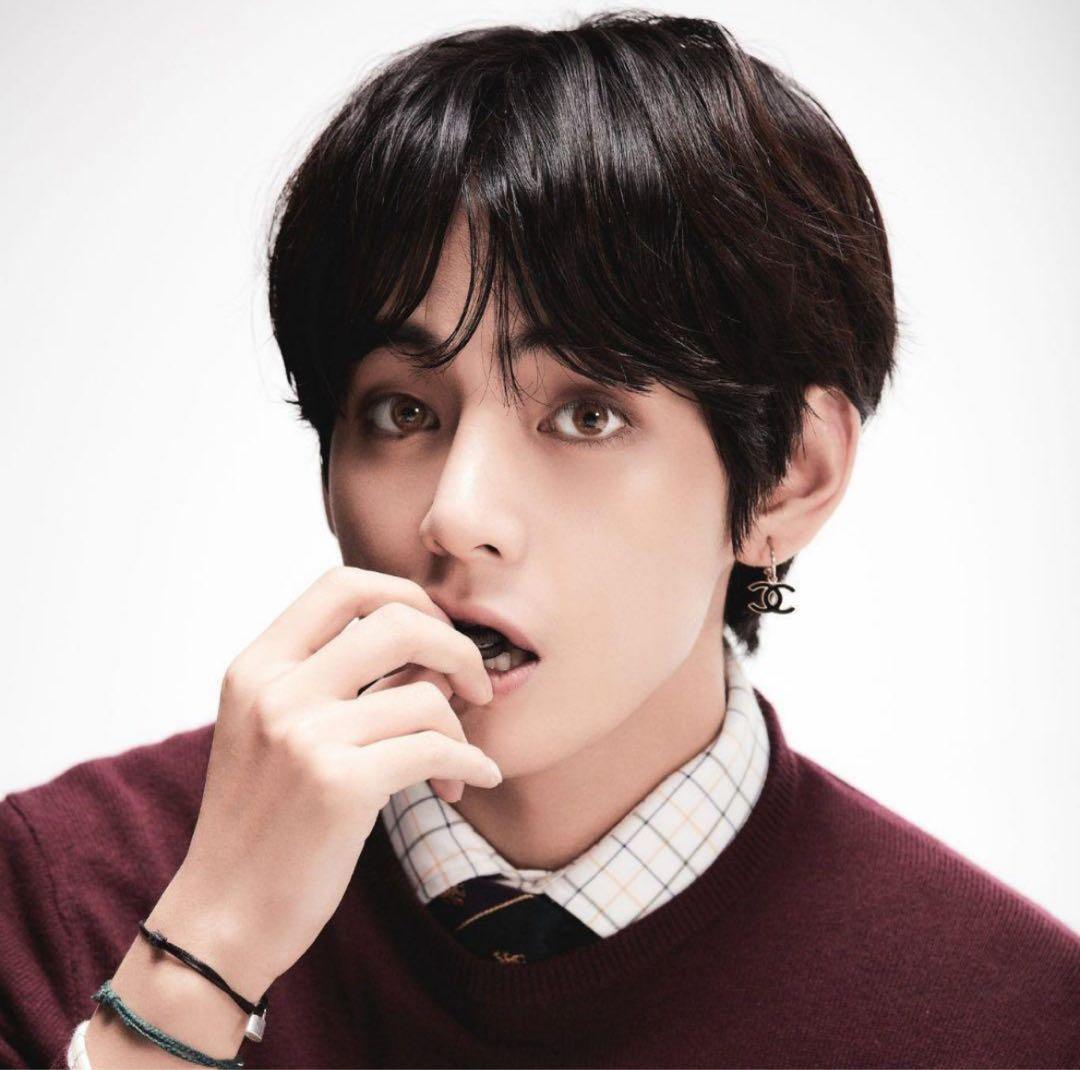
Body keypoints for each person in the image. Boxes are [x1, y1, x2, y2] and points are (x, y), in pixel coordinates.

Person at [2, 10, 1077, 1069]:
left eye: (587, 414)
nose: (457, 513)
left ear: (793, 475)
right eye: (404, 412)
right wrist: (202, 959)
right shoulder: (62, 889)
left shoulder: (1015, 1020)